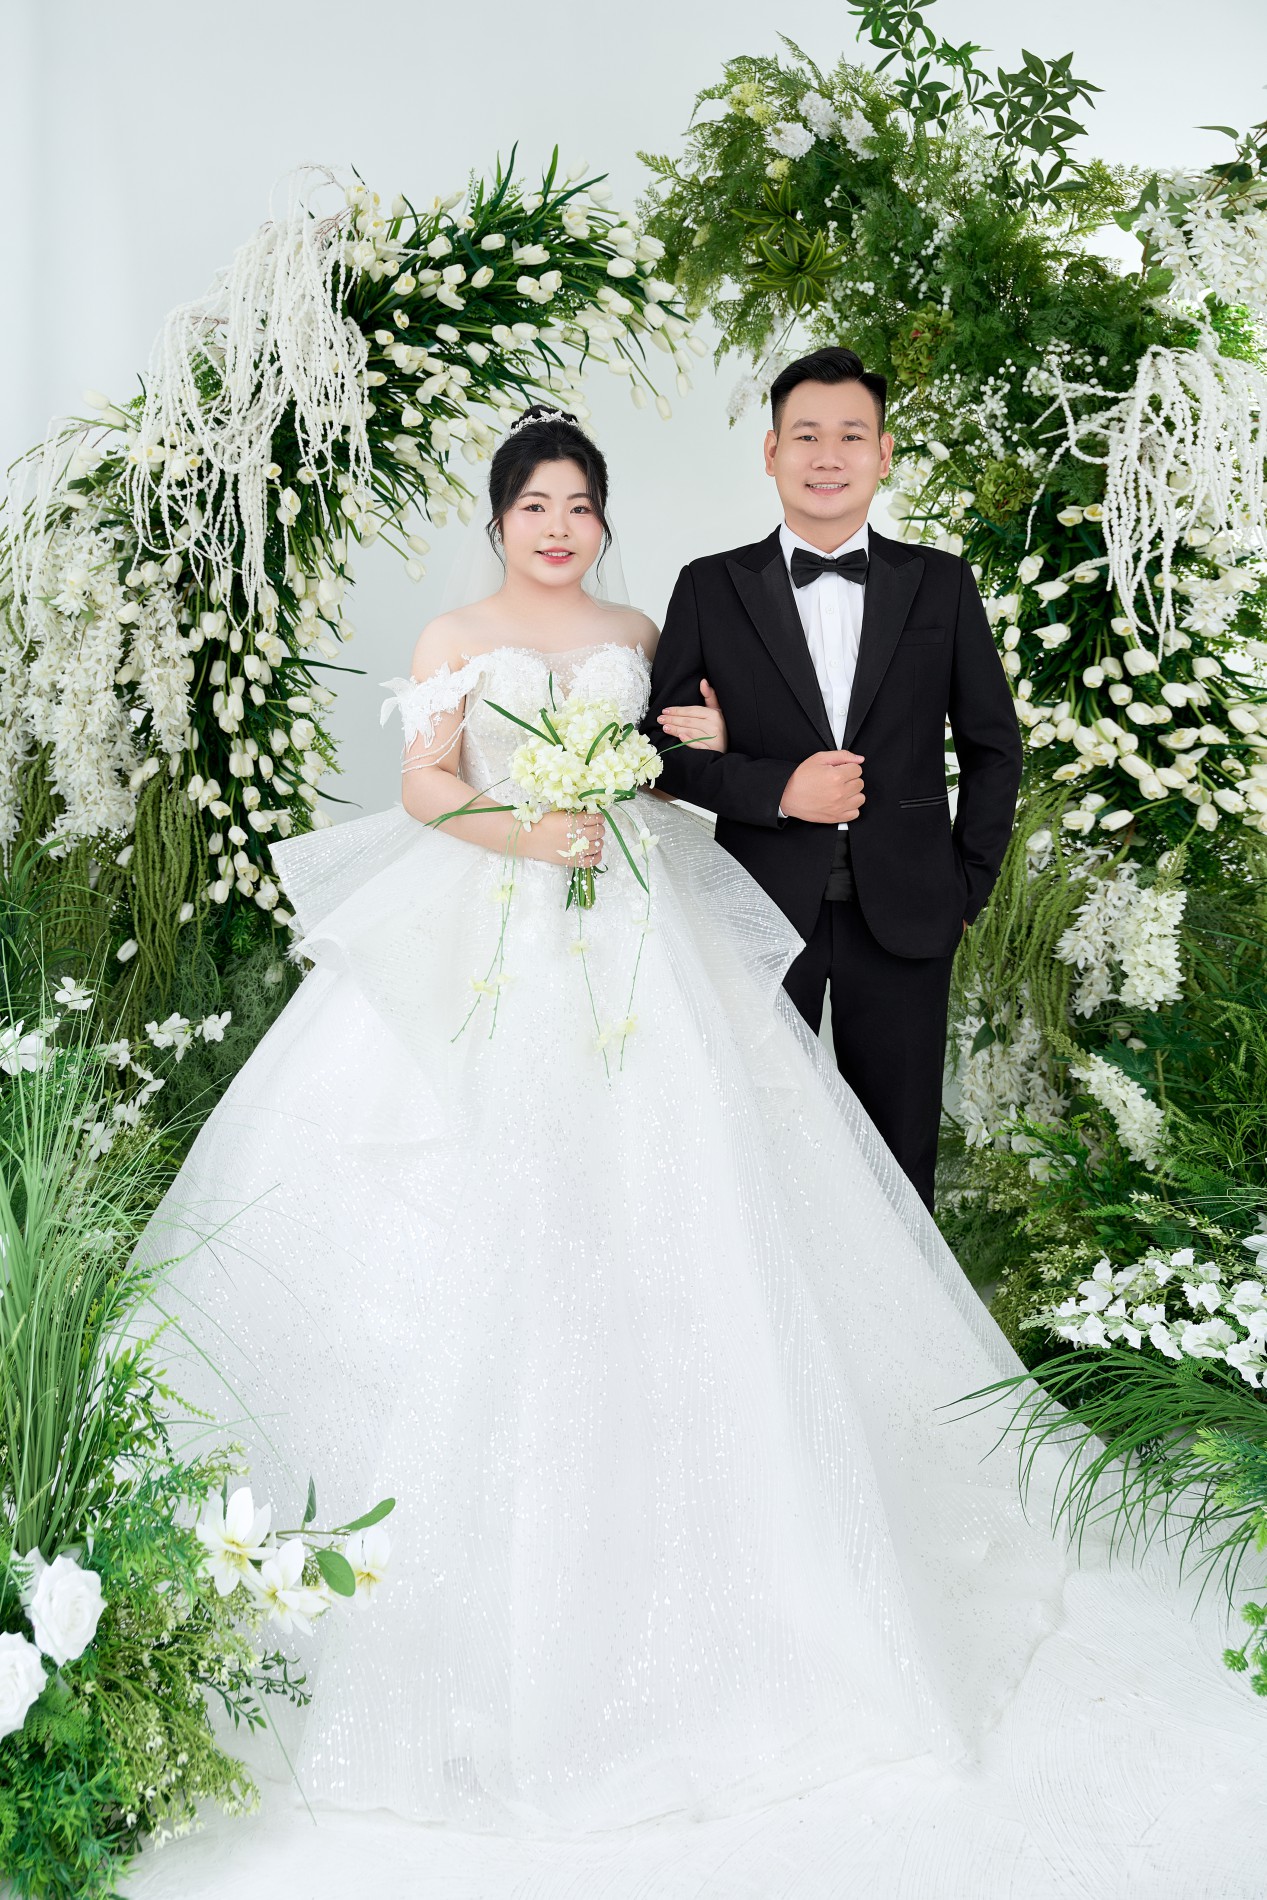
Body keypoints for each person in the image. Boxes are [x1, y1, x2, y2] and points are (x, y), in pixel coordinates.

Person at [135, 407, 1262, 1900]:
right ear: (497, 520)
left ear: (602, 520)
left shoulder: (638, 629)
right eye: (534, 505)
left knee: (702, 1181)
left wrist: (694, 757)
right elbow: (422, 784)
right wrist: (527, 832)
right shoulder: (454, 635)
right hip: (495, 916)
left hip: (635, 922)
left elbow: (673, 758)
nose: (558, 527)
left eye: (579, 504)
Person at [649, 346, 1023, 1210]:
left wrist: (967, 886)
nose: (827, 456)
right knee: (755, 1144)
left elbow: (993, 746)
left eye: (850, 436)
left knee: (899, 1159)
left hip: (910, 910)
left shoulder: (940, 582)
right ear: (770, 451)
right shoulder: (709, 586)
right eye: (806, 435)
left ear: (883, 454)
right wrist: (776, 788)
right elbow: (657, 750)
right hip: (754, 905)